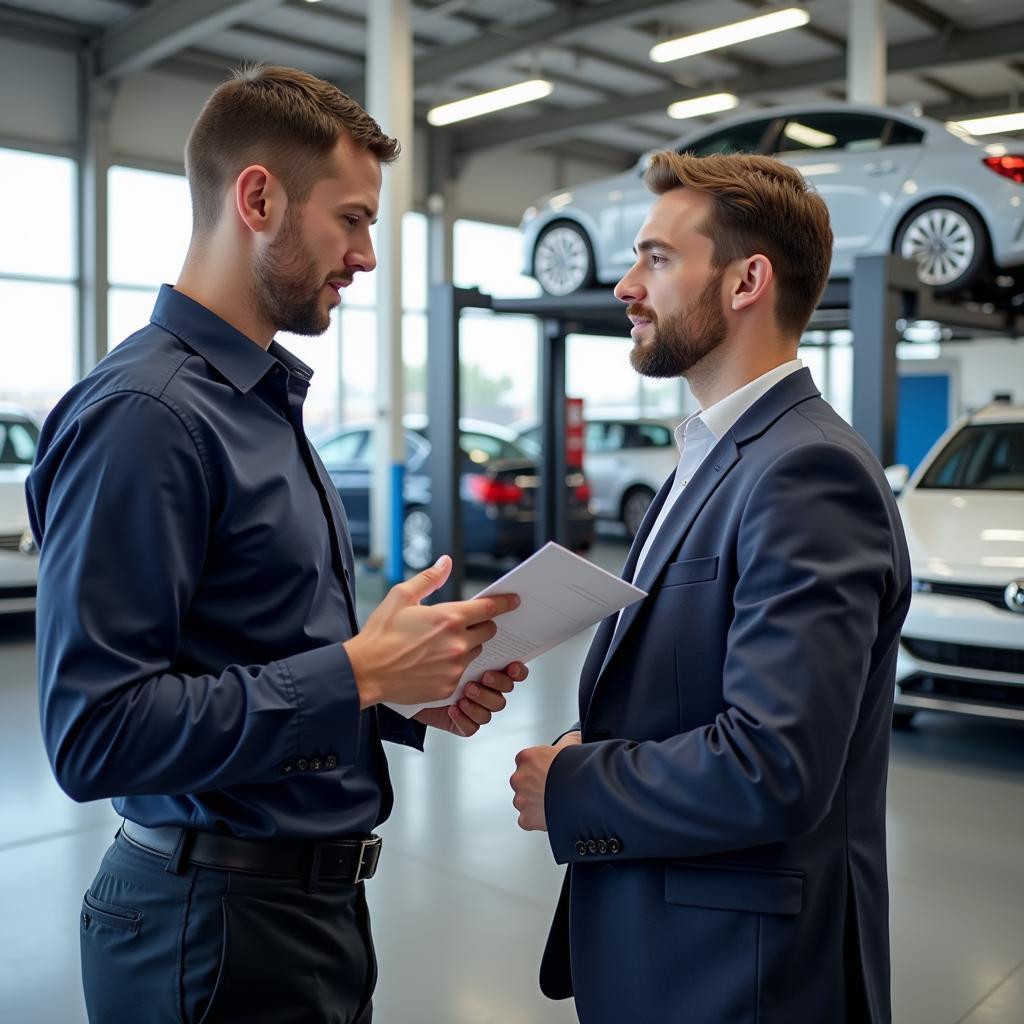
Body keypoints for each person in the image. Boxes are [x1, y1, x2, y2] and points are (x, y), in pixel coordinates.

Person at [28, 65, 526, 1024]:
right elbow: (97, 735)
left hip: (300, 916)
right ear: (258, 198)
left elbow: (245, 653)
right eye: (351, 219)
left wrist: (404, 692)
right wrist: (357, 676)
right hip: (210, 935)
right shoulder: (149, 418)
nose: (368, 256)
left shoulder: (255, 403)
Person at [510, 151, 911, 1024]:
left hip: (743, 980)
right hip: (682, 955)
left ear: (746, 283)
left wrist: (575, 783)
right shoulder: (718, 453)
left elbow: (777, 764)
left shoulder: (805, 472)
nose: (625, 284)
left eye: (655, 258)